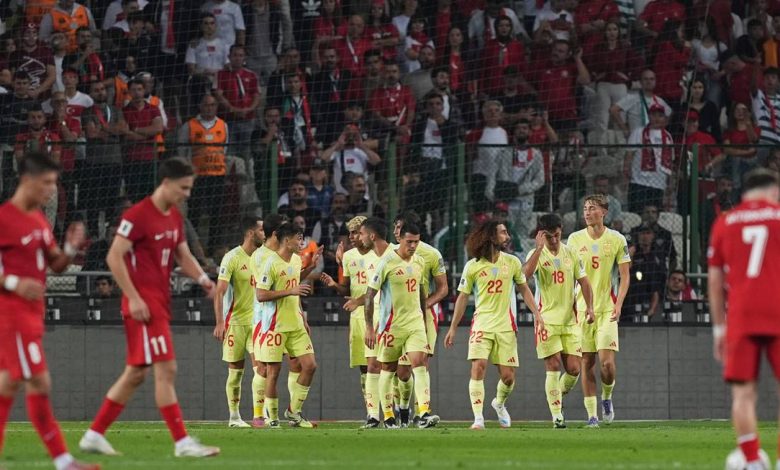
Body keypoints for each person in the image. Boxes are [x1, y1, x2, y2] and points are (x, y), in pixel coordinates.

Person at [79, 158, 220, 457]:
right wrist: (134, 297)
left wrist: (205, 281)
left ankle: (93, 435)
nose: (187, 194)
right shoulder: (138, 215)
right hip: (144, 305)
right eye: (183, 188)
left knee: (136, 374)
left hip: (159, 302)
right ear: (166, 183)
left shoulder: (174, 217)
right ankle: (182, 442)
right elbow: (114, 257)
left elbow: (182, 256)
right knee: (166, 368)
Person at [0, 151, 97, 470]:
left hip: (31, 312)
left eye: (54, 183)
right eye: (46, 183)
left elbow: (54, 264)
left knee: (7, 383)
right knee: (38, 382)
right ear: (26, 180)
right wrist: (14, 282)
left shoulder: (38, 218)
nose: (51, 190)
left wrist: (69, 248)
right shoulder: (5, 218)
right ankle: (63, 460)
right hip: (12, 314)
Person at [708, 169, 780, 470]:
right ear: (772, 192)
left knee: (743, 393)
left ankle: (751, 461)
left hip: (741, 316)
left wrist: (718, 329)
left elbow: (714, 279)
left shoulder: (725, 222)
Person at [444, 219, 540, 430]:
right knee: (478, 367)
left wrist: (537, 314)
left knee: (508, 377)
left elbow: (524, 289)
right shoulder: (473, 266)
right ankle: (478, 418)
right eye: (503, 233)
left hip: (506, 326)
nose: (507, 236)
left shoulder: (513, 262)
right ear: (491, 236)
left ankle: (499, 403)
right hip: (482, 324)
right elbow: (462, 298)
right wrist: (452, 328)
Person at [362, 218, 440, 429]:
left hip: (414, 323)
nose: (413, 246)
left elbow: (422, 293)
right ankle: (388, 416)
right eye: (409, 242)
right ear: (400, 240)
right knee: (387, 368)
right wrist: (370, 327)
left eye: (416, 242)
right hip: (391, 325)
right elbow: (370, 295)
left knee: (420, 363)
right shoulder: (387, 262)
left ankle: (424, 413)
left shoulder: (420, 262)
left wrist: (424, 321)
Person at [524, 214, 594, 428]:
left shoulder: (571, 253)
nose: (553, 241)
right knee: (553, 366)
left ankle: (557, 395)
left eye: (556, 235)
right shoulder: (535, 253)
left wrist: (590, 307)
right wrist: (537, 249)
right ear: (541, 235)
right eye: (549, 237)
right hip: (546, 320)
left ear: (561, 231)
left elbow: (584, 282)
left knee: (574, 369)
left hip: (569, 321)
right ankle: (557, 416)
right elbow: (524, 276)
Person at [567, 194, 630, 427]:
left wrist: (619, 304)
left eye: (591, 208)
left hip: (606, 309)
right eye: (584, 208)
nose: (586, 212)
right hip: (582, 310)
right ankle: (592, 416)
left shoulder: (616, 239)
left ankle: (607, 396)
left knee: (607, 364)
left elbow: (625, 276)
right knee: (587, 362)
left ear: (603, 211)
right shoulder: (573, 239)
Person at [320, 215, 385, 428]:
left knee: (381, 365)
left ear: (367, 233)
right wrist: (333, 284)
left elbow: (383, 290)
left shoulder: (381, 255)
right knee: (364, 368)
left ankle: (392, 412)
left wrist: (359, 301)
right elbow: (346, 289)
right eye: (350, 233)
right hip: (357, 317)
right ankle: (371, 413)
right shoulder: (348, 257)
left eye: (356, 233)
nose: (352, 237)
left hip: (378, 314)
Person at [255, 223, 318, 429]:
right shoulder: (270, 263)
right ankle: (271, 418)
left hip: (296, 324)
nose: (301, 242)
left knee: (310, 366)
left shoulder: (297, 259)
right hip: (275, 326)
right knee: (273, 372)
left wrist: (311, 268)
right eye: (298, 238)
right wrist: (289, 292)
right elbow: (261, 295)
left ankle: (294, 412)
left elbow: (294, 283)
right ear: (286, 240)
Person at [392, 211, 448, 425]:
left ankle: (422, 413)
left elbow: (443, 288)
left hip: (423, 317)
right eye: (395, 227)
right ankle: (402, 407)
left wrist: (425, 305)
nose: (395, 231)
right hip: (396, 317)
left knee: (421, 362)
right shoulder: (390, 254)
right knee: (402, 372)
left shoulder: (431, 254)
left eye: (399, 227)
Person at [213, 216, 265, 428]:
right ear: (251, 233)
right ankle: (234, 417)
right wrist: (219, 322)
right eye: (261, 230)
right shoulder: (232, 257)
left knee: (261, 368)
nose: (265, 233)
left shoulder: (263, 257)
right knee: (235, 372)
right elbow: (219, 293)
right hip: (234, 322)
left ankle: (259, 416)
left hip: (257, 323)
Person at [624, 104, 675, 213]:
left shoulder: (668, 136)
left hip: (659, 183)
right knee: (636, 213)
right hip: (639, 181)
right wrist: (626, 168)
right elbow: (629, 153)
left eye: (660, 116)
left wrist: (670, 181)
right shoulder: (638, 132)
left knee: (655, 215)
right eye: (654, 115)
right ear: (649, 116)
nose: (657, 118)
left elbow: (670, 161)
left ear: (664, 118)